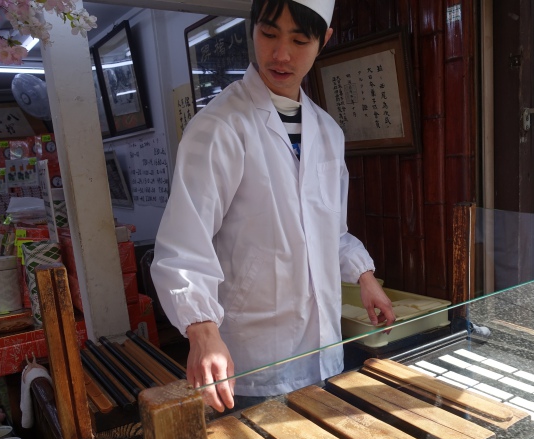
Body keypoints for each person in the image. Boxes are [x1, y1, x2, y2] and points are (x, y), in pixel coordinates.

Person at [151, 0, 395, 413]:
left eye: (299, 39)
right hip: (254, 356)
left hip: (323, 348)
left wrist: (365, 276)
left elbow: (330, 230)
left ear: (324, 41)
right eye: (268, 34)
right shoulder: (219, 126)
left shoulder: (327, 132)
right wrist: (201, 330)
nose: (281, 55)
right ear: (252, 30)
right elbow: (184, 245)